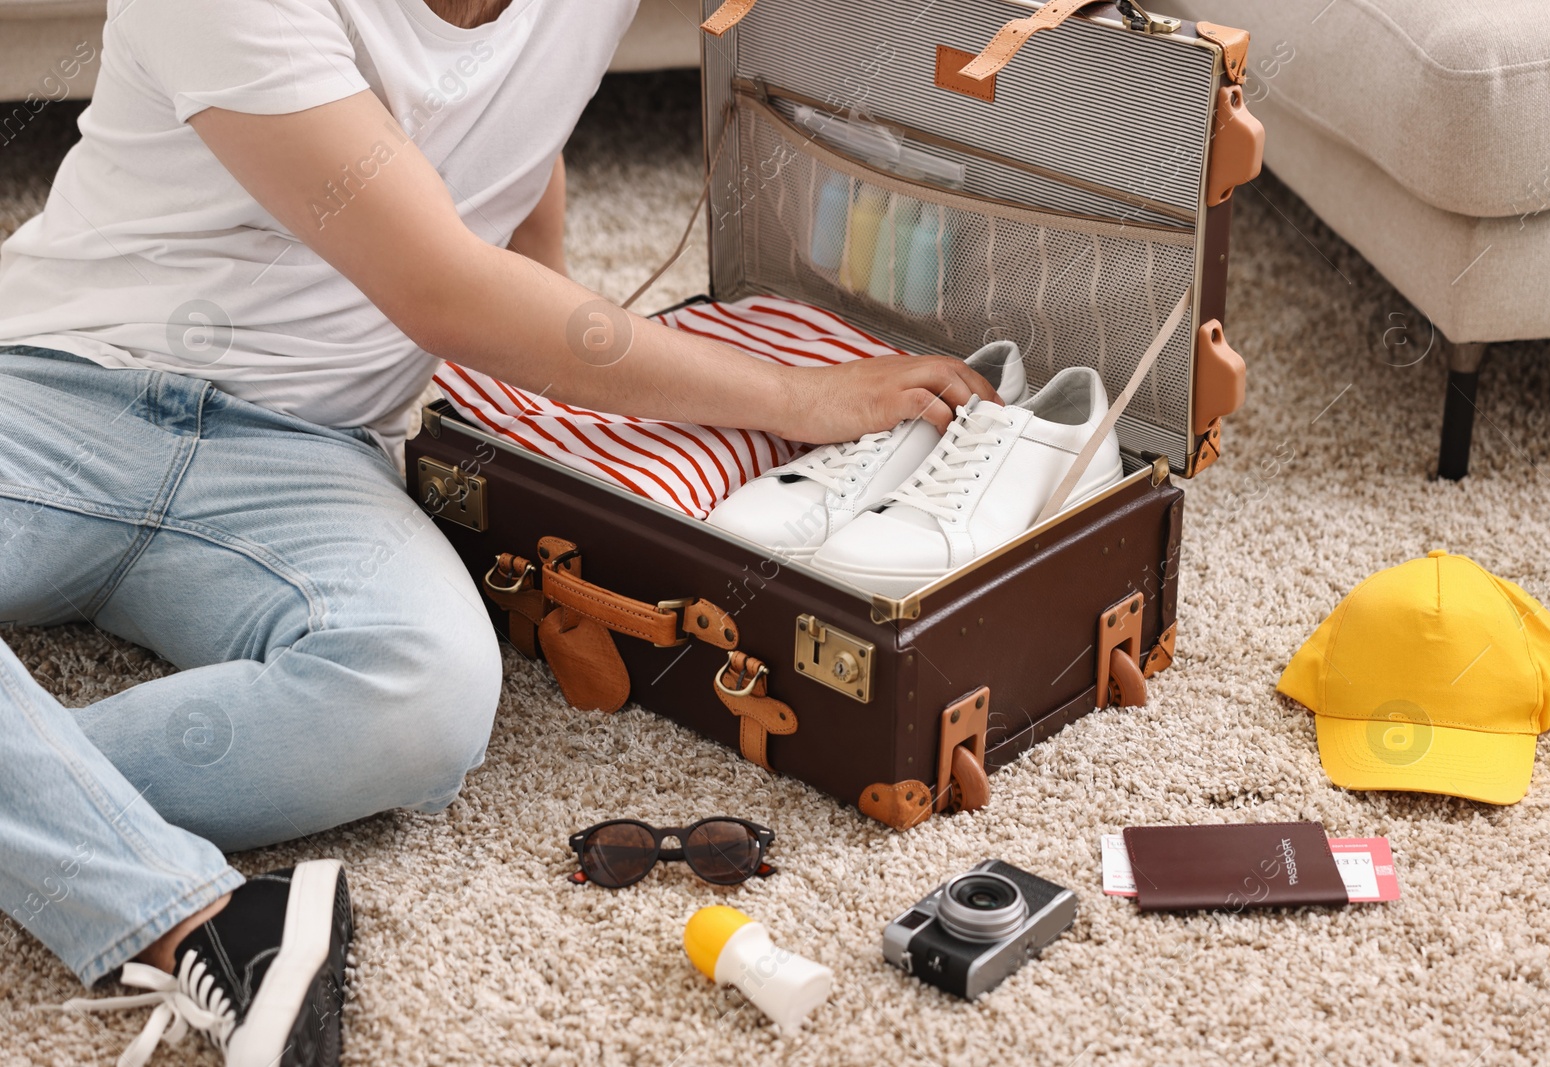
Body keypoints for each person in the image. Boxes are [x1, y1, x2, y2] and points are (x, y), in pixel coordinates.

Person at [0, 0, 997, 1063]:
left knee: (423, 693)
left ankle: (44, 792)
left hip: (304, 452)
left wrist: (550, 290)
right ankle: (192, 917)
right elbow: (446, 290)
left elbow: (515, 121)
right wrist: (799, 397)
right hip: (57, 390)